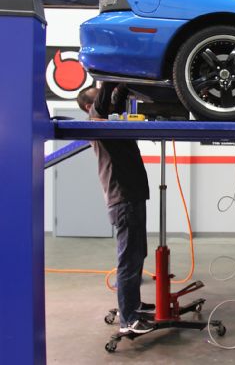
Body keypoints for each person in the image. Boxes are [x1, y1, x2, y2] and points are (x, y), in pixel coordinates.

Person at [77, 83, 154, 334]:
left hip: (133, 197)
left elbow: (116, 99)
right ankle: (128, 319)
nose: (110, 104)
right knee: (128, 261)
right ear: (91, 107)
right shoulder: (96, 123)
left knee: (138, 254)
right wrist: (109, 74)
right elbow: (105, 100)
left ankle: (133, 305)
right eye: (103, 100)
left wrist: (123, 80)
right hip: (124, 200)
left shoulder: (111, 121)